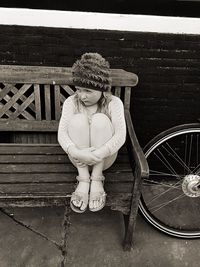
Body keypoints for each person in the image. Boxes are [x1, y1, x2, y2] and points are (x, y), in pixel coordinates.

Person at [58, 52, 126, 213]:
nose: (82, 96)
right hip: (78, 159)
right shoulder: (71, 102)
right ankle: (83, 180)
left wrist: (98, 154)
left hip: (104, 160)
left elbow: (120, 135)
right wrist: (76, 152)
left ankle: (96, 179)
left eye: (88, 91)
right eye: (79, 89)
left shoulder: (114, 103)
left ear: (102, 89)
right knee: (77, 120)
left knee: (100, 120)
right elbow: (62, 133)